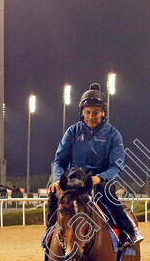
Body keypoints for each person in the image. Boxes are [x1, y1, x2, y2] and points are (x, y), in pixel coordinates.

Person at [46, 83, 141, 250]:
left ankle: (129, 232)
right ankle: (49, 236)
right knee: (54, 194)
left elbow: (116, 166)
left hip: (100, 180)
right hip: (74, 180)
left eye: (96, 112)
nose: (91, 116)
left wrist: (99, 177)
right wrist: (56, 179)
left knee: (106, 193)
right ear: (82, 112)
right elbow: (59, 160)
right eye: (88, 112)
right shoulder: (72, 132)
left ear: (103, 113)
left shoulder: (113, 134)